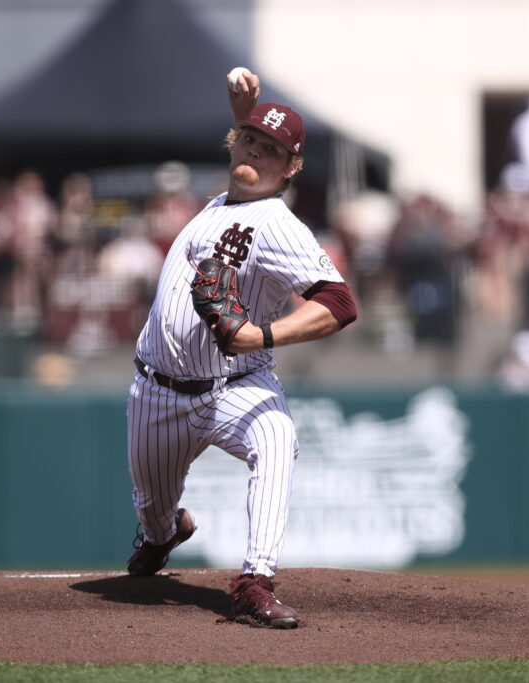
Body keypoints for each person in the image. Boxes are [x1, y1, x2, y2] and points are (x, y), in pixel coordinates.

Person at [124, 68, 358, 629]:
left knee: (277, 438)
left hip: (237, 385)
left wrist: (263, 335)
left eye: (273, 149)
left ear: (292, 167)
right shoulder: (221, 201)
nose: (256, 150)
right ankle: (165, 533)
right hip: (157, 392)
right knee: (154, 516)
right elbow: (250, 164)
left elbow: (341, 303)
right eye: (249, 139)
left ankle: (256, 580)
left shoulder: (279, 224)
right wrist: (247, 117)